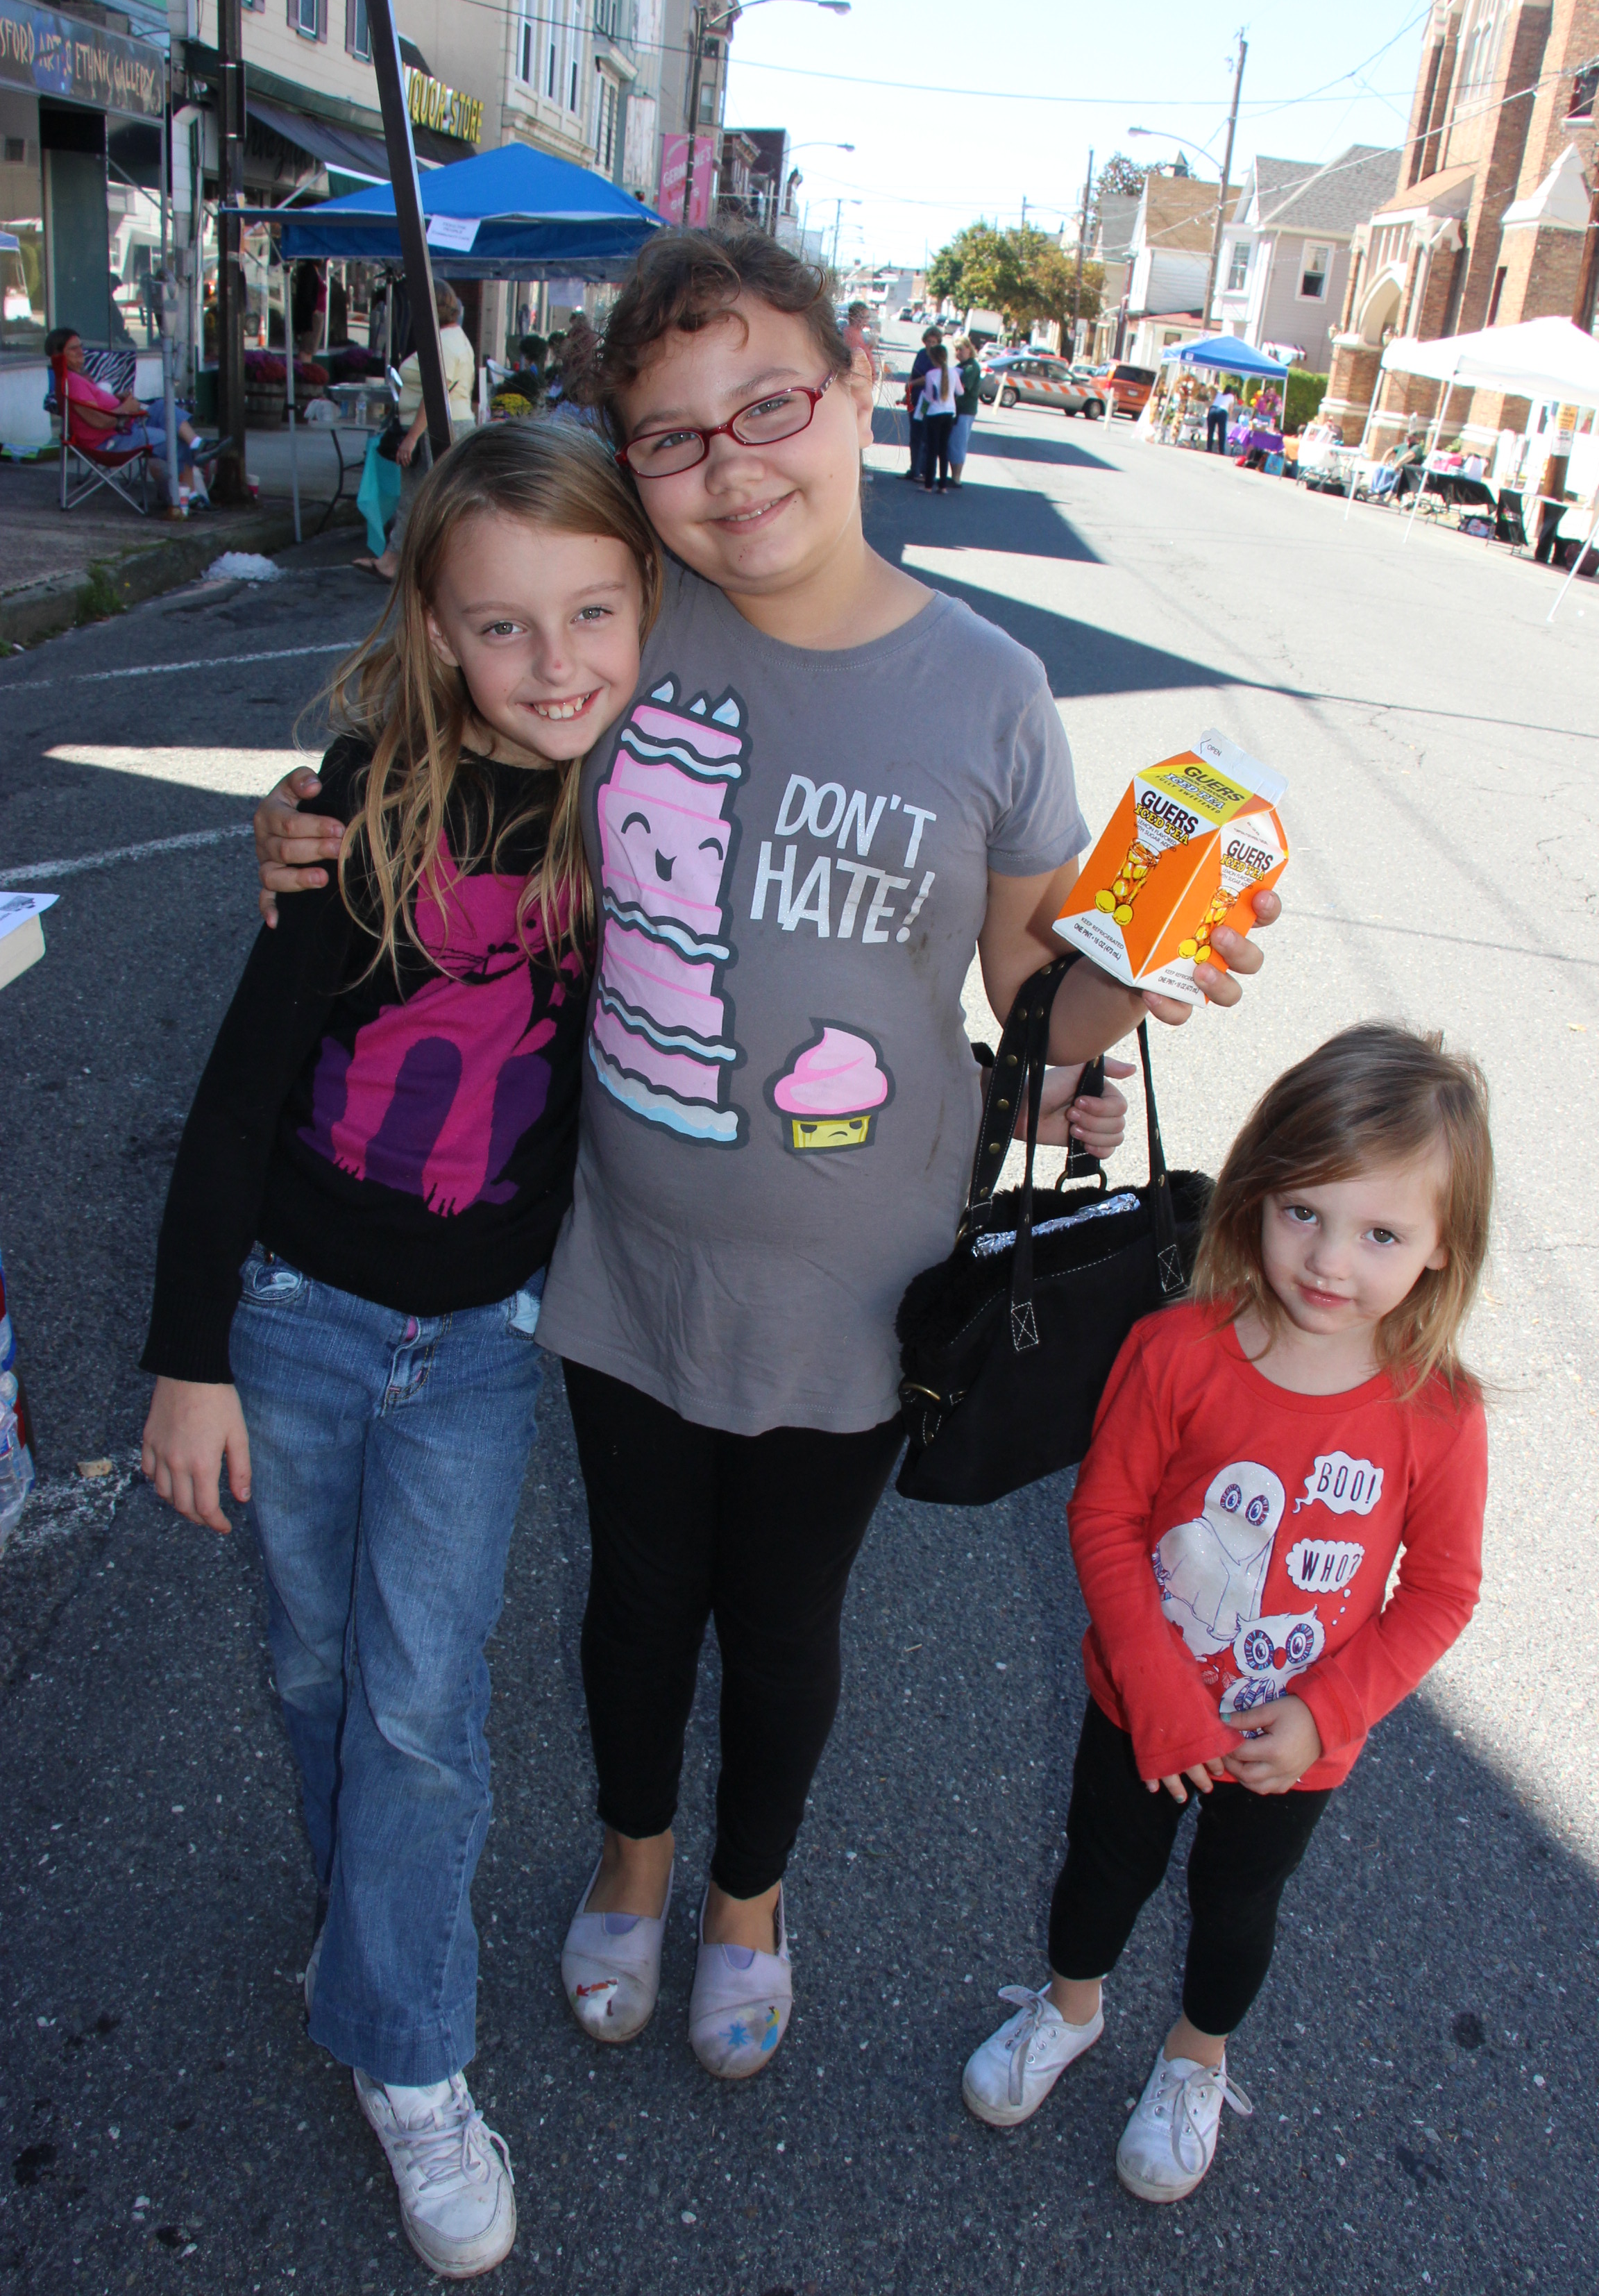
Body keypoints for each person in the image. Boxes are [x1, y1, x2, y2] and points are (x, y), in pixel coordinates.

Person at [253, 225, 1278, 2088]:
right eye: (671, 434)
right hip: (623, 1248)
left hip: (862, 1284)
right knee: (641, 1594)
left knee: (786, 1617)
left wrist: (1138, 979)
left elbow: (1030, 997)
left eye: (770, 404)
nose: (730, 464)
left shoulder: (989, 689)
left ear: (860, 383)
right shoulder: (630, 621)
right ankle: (636, 1858)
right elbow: (452, 739)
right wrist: (308, 816)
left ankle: (748, 1895)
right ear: (629, 465)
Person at [140, 421, 661, 2278]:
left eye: (591, 613)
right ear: (437, 629)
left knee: (421, 1705)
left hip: (483, 1344)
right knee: (315, 1669)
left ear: (648, 606)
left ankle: (411, 2055)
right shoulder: (360, 808)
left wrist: (1029, 1073)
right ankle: (366, 1932)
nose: (554, 663)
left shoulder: (647, 815)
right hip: (293, 1318)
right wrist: (187, 1356)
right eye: (502, 624)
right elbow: (236, 1097)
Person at [961, 1023, 1491, 2204]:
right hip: (1140, 1706)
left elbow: (1440, 1590)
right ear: (1255, 1191)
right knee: (1100, 1873)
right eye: (1302, 1211)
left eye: (1381, 1234)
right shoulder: (1174, 1351)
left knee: (1236, 1905)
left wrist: (1325, 1714)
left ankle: (1196, 2059)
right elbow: (1105, 1516)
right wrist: (1154, 1689)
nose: (1330, 1261)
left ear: (1440, 1249)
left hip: (1286, 1746)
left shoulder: (1437, 1413)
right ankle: (1069, 2008)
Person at [359, 280, 476, 583]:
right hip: (443, 424)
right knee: (423, 496)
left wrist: (411, 437)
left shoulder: (445, 343)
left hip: (437, 427)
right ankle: (397, 559)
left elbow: (436, 393)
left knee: (427, 496)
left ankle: (411, 562)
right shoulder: (452, 338)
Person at [44, 326, 227, 501]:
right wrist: (126, 409)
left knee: (162, 407)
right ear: (59, 355)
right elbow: (98, 421)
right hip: (110, 442)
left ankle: (198, 444)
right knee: (175, 440)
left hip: (123, 428)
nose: (80, 352)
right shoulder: (74, 383)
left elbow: (96, 408)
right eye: (73, 349)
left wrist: (117, 399)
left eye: (80, 346)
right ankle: (191, 497)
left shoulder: (75, 379)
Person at [917, 339, 959, 491]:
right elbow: (960, 391)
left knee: (932, 450)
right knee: (943, 449)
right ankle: (943, 486)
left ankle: (928, 485)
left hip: (934, 413)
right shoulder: (953, 373)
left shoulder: (931, 375)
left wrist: (921, 411)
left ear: (933, 359)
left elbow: (929, 397)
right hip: (950, 413)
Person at [904, 323, 940, 480]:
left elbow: (929, 378)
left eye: (934, 342)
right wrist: (908, 389)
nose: (930, 344)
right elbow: (913, 373)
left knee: (924, 433)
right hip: (915, 396)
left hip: (927, 398)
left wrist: (913, 383)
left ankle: (924, 470)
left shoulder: (937, 358)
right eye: (929, 341)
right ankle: (914, 468)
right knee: (914, 434)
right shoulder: (921, 354)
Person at [949, 337, 981, 484]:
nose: (958, 353)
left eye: (961, 349)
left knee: (959, 443)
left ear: (969, 349)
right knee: (953, 443)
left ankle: (957, 478)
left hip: (965, 410)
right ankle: (953, 476)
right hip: (956, 410)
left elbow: (962, 388)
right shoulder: (961, 366)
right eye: (956, 350)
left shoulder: (971, 367)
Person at [1205, 381, 1235, 455]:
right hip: (1222, 411)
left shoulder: (1219, 394)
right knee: (1221, 431)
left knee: (1211, 431)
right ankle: (1221, 450)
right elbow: (1231, 408)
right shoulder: (1231, 396)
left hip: (1213, 409)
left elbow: (1213, 401)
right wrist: (1230, 416)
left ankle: (1209, 448)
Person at [845, 300, 875, 369]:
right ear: (854, 317)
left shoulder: (856, 333)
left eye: (868, 317)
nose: (866, 321)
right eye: (864, 317)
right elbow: (856, 360)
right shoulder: (851, 335)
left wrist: (869, 348)